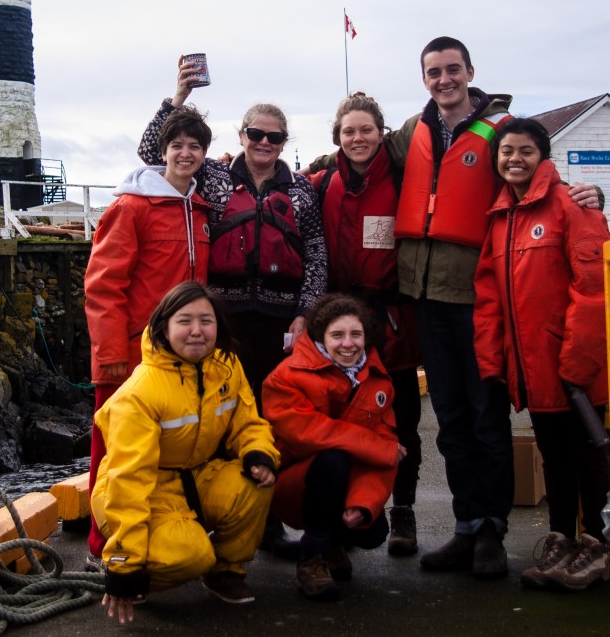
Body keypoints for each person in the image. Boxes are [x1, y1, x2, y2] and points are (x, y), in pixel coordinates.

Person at [387, 36, 602, 578]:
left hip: (481, 301)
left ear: (470, 71)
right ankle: (464, 528)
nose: (444, 80)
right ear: (424, 78)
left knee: (488, 420)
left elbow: (534, 170)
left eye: (452, 69)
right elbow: (358, 154)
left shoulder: (500, 130)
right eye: (433, 72)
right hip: (427, 298)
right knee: (452, 422)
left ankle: (492, 531)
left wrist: (588, 194)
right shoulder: (412, 132)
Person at [138, 56, 328, 558]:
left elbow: (315, 253)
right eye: (255, 134)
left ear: (284, 142)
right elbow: (151, 151)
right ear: (241, 136)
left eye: (274, 137)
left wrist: (305, 311)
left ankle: (262, 517)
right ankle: (210, 512)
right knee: (215, 417)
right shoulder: (217, 180)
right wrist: (176, 99)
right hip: (223, 320)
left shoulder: (302, 192)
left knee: (266, 417)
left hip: (280, 321)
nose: (264, 144)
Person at [473, 118, 610, 592]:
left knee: (588, 455)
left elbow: (593, 290)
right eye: (506, 151)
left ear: (543, 155)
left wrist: (576, 364)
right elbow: (490, 297)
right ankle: (561, 539)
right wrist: (494, 362)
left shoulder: (572, 204)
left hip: (575, 367)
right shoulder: (500, 217)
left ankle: (595, 542)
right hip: (532, 369)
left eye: (526, 151)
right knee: (554, 455)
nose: (514, 158)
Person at [92, 281, 279, 622]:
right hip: (141, 490)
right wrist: (123, 564)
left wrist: (257, 453)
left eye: (206, 321)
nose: (197, 331)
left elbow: (249, 423)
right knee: (192, 555)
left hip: (198, 475)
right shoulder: (139, 393)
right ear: (163, 327)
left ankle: (225, 572)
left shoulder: (227, 366)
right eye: (185, 321)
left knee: (253, 485)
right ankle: (135, 580)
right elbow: (129, 482)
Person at [84, 106, 213, 568]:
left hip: (178, 353)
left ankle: (154, 538)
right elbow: (102, 284)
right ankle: (103, 547)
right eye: (176, 145)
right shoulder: (131, 205)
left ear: (203, 155)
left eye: (194, 146)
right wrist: (111, 353)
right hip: (131, 354)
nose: (185, 153)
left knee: (164, 452)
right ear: (162, 152)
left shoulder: (199, 208)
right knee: (114, 454)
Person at [303, 92, 422, 556]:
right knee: (337, 419)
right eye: (349, 131)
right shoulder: (321, 180)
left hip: (391, 319)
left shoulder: (402, 175)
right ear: (338, 136)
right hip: (339, 320)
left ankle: (404, 513)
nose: (358, 138)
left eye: (366, 130)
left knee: (403, 421)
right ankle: (342, 512)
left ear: (381, 133)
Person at [261, 293, 401, 601]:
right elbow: (310, 434)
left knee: (373, 532)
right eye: (337, 335)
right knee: (334, 458)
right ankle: (311, 559)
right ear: (321, 337)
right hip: (292, 485)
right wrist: (379, 448)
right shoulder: (285, 378)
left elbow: (382, 456)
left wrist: (362, 503)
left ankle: (333, 544)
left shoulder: (378, 381)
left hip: (342, 481)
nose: (347, 344)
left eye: (356, 334)